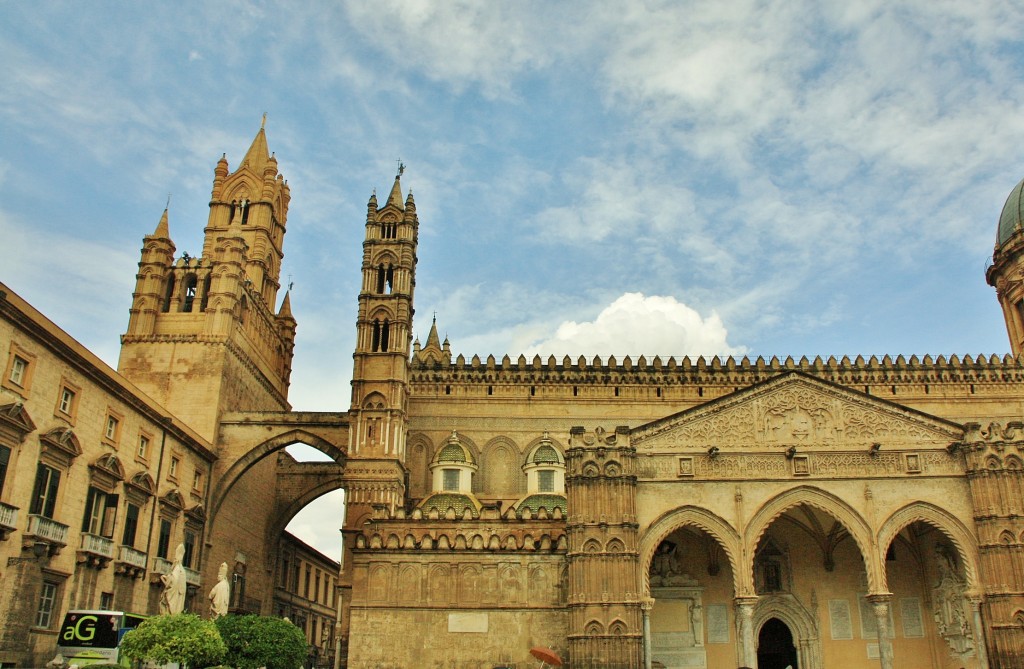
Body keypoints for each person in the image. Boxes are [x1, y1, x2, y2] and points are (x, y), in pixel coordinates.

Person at [159, 543, 187, 614]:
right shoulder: (182, 570)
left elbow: (173, 581)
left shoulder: (177, 569)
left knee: (168, 608)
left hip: (174, 595)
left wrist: (165, 578)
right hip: (178, 594)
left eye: (174, 559)